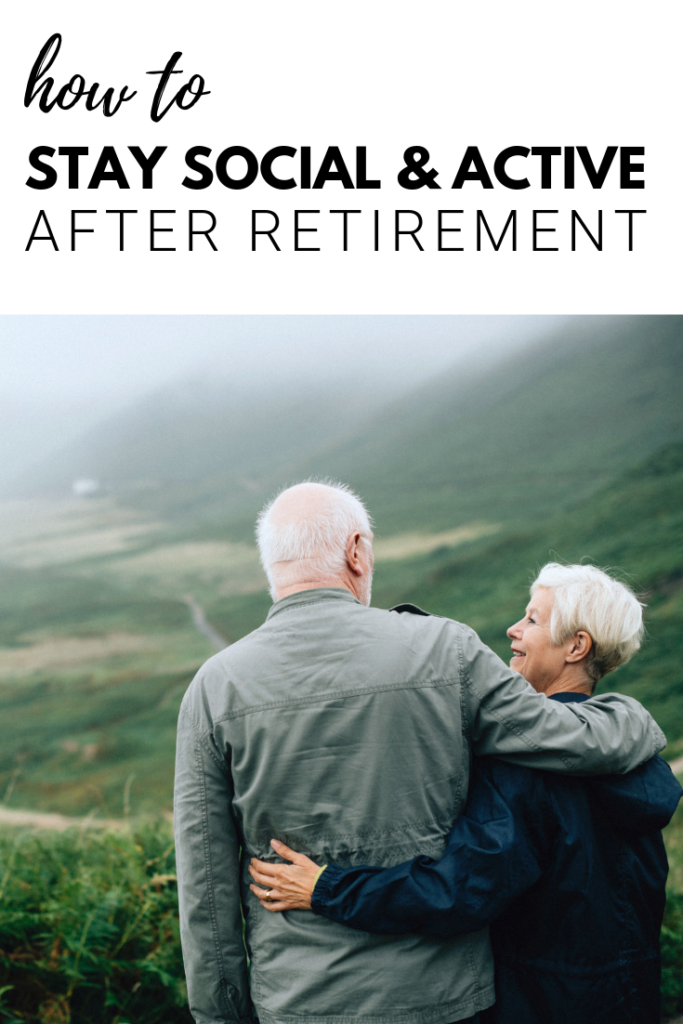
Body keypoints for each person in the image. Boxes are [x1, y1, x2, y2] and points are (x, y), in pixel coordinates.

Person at [174, 484, 666, 1024]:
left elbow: (207, 889)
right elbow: (565, 738)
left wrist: (220, 1014)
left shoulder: (213, 687)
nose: (515, 629)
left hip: (297, 1001)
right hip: (448, 997)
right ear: (357, 550)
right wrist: (632, 717)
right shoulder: (446, 649)